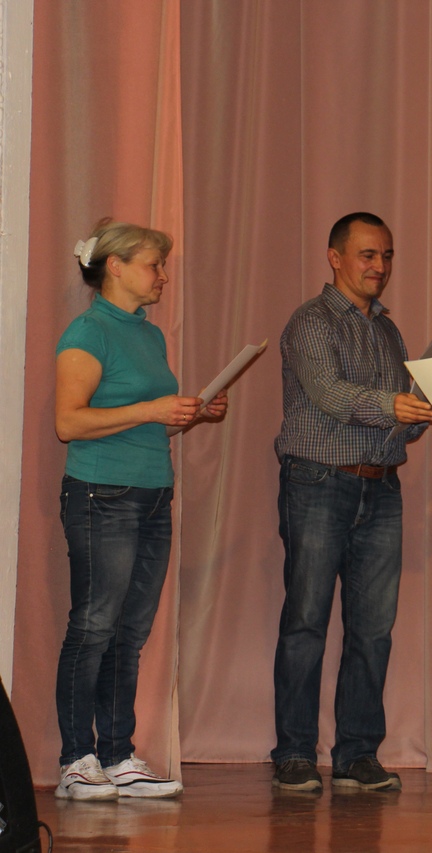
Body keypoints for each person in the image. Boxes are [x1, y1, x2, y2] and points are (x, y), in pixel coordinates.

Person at [54, 219, 228, 800]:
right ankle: (75, 761)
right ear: (116, 267)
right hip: (101, 494)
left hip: (153, 494)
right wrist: (153, 409)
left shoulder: (149, 336)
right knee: (93, 626)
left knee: (129, 632)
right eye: (154, 265)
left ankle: (117, 756)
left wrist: (188, 413)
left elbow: (146, 419)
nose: (163, 277)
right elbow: (69, 422)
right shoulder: (88, 332)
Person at [271, 212, 432, 792]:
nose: (379, 266)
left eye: (387, 255)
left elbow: (393, 422)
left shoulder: (388, 331)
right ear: (335, 257)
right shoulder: (311, 321)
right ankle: (294, 753)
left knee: (373, 629)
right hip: (318, 482)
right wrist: (393, 405)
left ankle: (357, 754)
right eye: (368, 254)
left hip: (382, 486)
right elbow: (330, 395)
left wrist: (421, 412)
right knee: (307, 622)